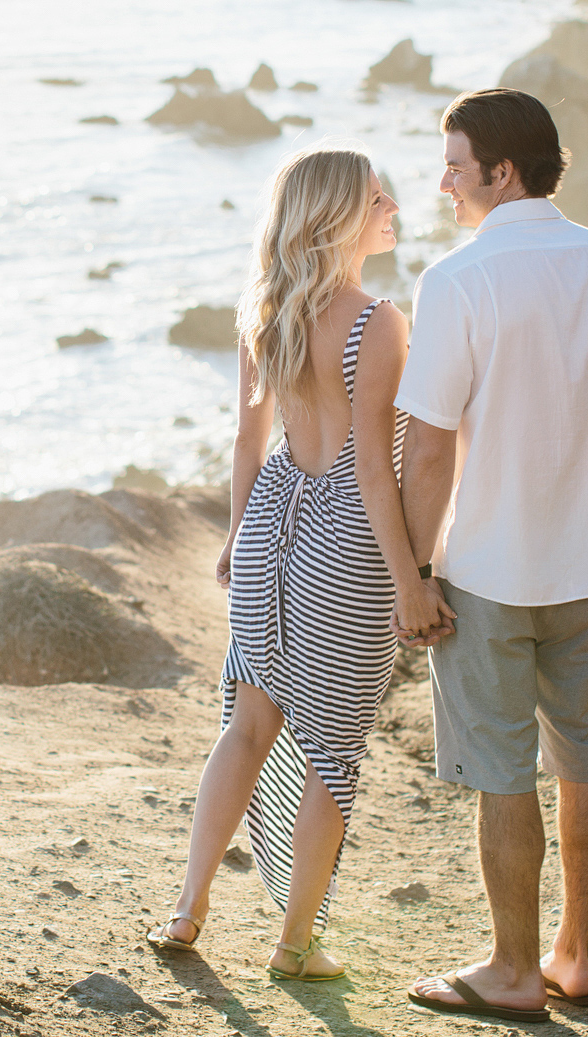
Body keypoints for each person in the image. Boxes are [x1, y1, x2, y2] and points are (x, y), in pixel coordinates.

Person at [394, 88, 588, 1024]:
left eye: (456, 166)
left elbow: (426, 451)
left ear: (502, 171)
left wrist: (415, 572)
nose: (444, 184)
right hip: (587, 568)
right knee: (584, 758)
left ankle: (511, 969)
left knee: (504, 771)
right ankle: (573, 958)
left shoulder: (459, 282)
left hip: (488, 572)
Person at [146, 142, 427, 982]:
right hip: (345, 539)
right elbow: (375, 469)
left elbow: (247, 438)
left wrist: (237, 533)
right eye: (379, 200)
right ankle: (295, 944)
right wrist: (411, 579)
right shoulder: (378, 323)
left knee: (247, 725)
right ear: (342, 215)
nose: (393, 212)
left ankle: (188, 907)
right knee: (331, 753)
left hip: (272, 518)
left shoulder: (263, 309)